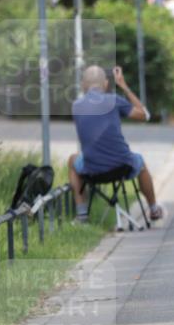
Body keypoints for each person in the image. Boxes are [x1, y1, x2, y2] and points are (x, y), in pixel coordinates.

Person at [68, 65, 165, 223]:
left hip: (92, 169)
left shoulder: (76, 106)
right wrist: (123, 86)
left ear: (83, 85)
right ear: (106, 84)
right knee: (140, 162)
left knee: (72, 159)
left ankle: (82, 214)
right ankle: (154, 209)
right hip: (122, 166)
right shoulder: (114, 100)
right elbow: (144, 115)